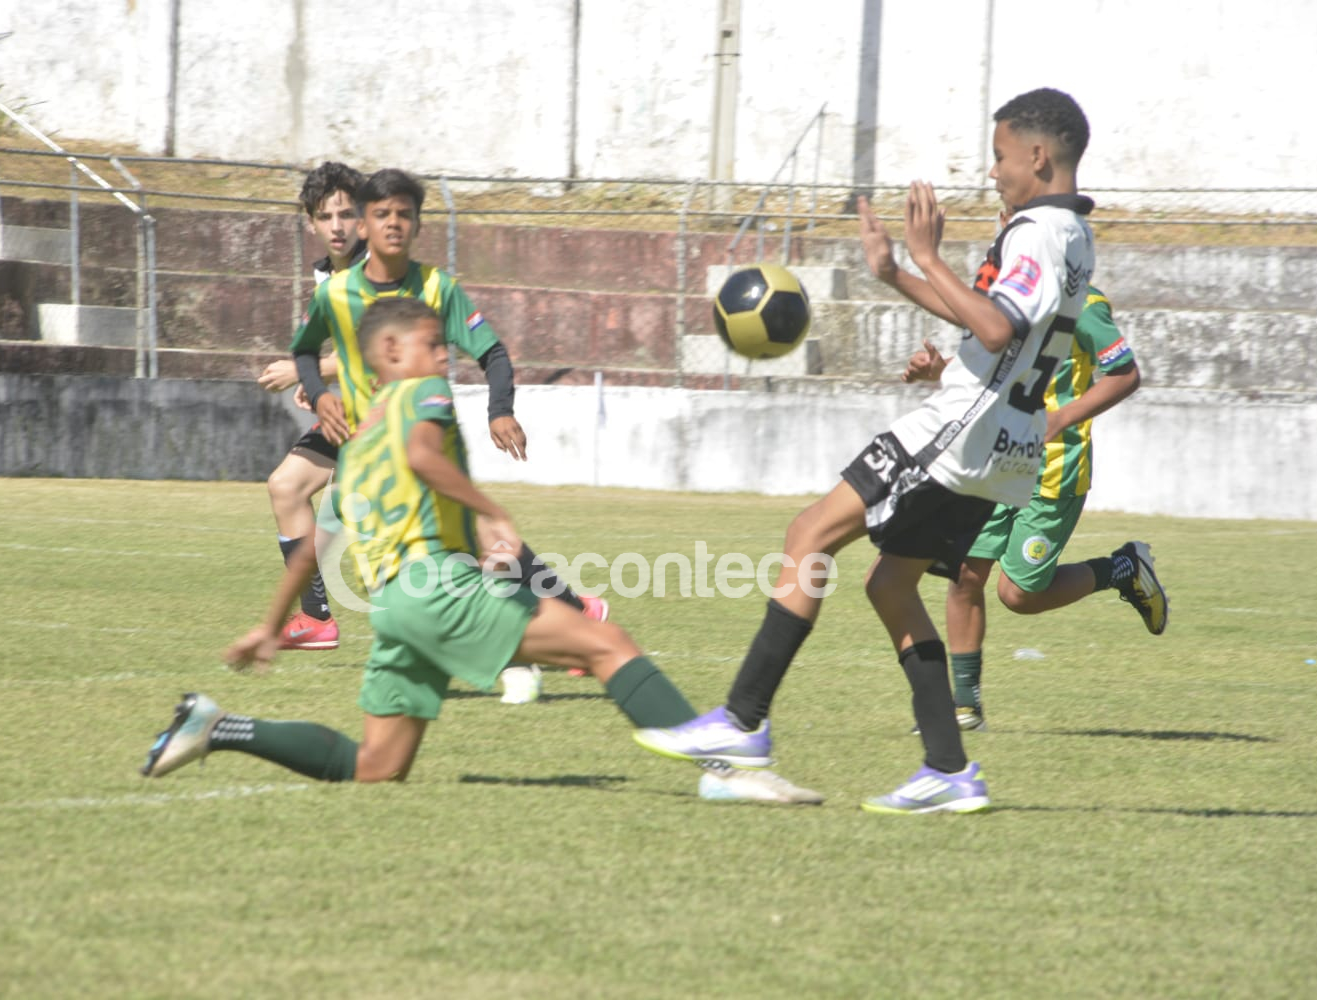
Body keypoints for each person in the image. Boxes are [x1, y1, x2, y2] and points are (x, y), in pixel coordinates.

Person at [635, 88, 1161, 815]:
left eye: (1001, 156)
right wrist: (895, 275)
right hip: (998, 447)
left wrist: (925, 256)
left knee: (808, 534)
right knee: (890, 586)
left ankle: (743, 723)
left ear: (1038, 156)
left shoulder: (1037, 230)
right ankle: (948, 770)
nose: (993, 171)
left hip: (958, 434)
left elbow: (997, 329)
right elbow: (994, 329)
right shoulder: (1071, 233)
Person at [140, 298, 821, 803]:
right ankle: (726, 773)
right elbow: (423, 454)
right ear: (391, 354)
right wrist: (491, 512)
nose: (445, 357)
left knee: (377, 765)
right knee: (606, 642)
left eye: (445, 346)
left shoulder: (356, 446)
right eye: (432, 344)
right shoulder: (421, 392)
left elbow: (311, 550)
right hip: (438, 588)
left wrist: (270, 625)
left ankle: (218, 727)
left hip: (395, 611)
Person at [286, 166, 606, 701]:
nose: (392, 223)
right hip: (368, 458)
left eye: (403, 215)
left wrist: (499, 411)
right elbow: (303, 350)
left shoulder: (437, 288)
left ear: (416, 224)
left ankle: (543, 636)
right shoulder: (336, 294)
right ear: (366, 224)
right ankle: (550, 625)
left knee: (479, 547)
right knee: (399, 564)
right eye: (381, 214)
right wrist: (319, 393)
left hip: (427, 446)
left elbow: (492, 352)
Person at [906, 285, 1166, 733]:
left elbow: (1125, 376)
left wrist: (1062, 417)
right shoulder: (1007, 295)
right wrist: (941, 370)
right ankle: (965, 709)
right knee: (965, 575)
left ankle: (1123, 569)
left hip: (1053, 471)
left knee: (1019, 596)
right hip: (993, 460)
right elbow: (996, 371)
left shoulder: (1086, 307)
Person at [255, 161, 368, 653]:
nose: (337, 226)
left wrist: (307, 372)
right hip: (348, 413)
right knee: (286, 486)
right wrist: (317, 384)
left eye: (346, 214)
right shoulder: (327, 275)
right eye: (326, 216)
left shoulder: (379, 272)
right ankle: (316, 618)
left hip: (394, 421)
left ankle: (567, 609)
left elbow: (379, 354)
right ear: (311, 222)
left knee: (392, 552)